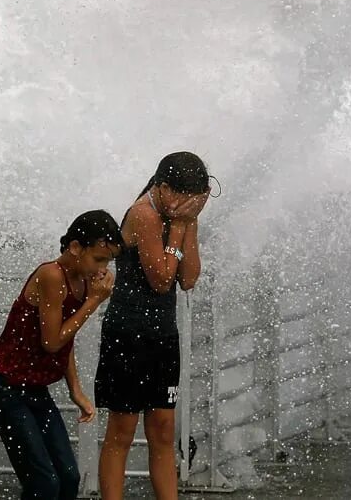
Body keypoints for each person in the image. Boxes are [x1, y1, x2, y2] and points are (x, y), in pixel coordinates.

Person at [0, 210, 122, 500]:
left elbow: (65, 338)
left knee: (69, 479)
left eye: (108, 261)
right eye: (98, 259)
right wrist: (94, 302)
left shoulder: (82, 281)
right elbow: (52, 342)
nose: (103, 269)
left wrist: (76, 390)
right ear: (74, 247)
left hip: (35, 391)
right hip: (6, 390)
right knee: (44, 484)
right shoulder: (51, 275)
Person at [96, 152, 211, 500]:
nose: (189, 203)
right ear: (162, 188)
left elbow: (188, 278)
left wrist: (187, 225)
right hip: (128, 333)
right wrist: (177, 230)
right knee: (122, 430)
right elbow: (161, 279)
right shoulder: (144, 214)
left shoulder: (184, 217)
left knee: (163, 430)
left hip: (162, 335)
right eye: (183, 195)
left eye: (196, 197)